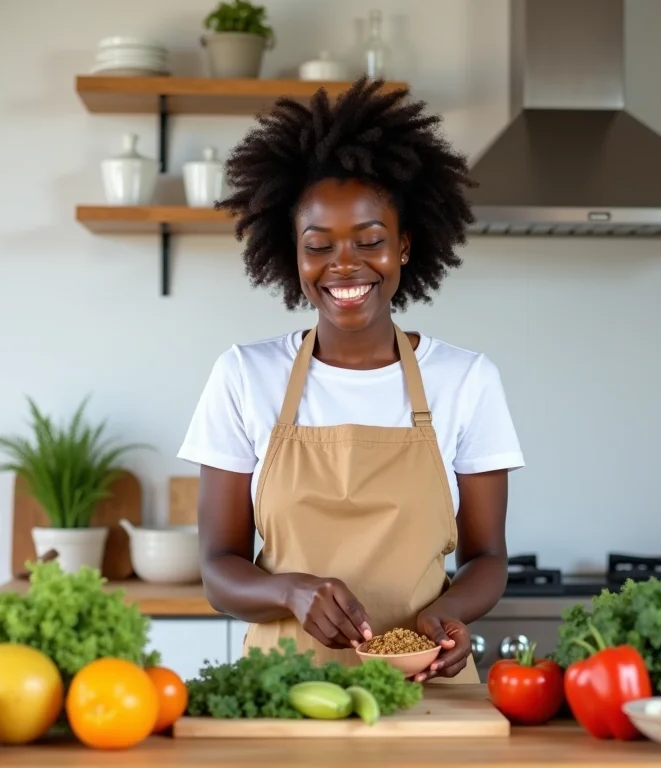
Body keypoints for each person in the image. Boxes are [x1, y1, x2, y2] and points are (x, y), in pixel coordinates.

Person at [177, 78, 524, 684]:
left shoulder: (466, 379)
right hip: (282, 692)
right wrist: (288, 593)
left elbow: (487, 558)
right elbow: (217, 569)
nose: (344, 264)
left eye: (370, 241)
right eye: (320, 245)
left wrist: (450, 613)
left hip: (426, 691)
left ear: (405, 247)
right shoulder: (243, 374)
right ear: (294, 254)